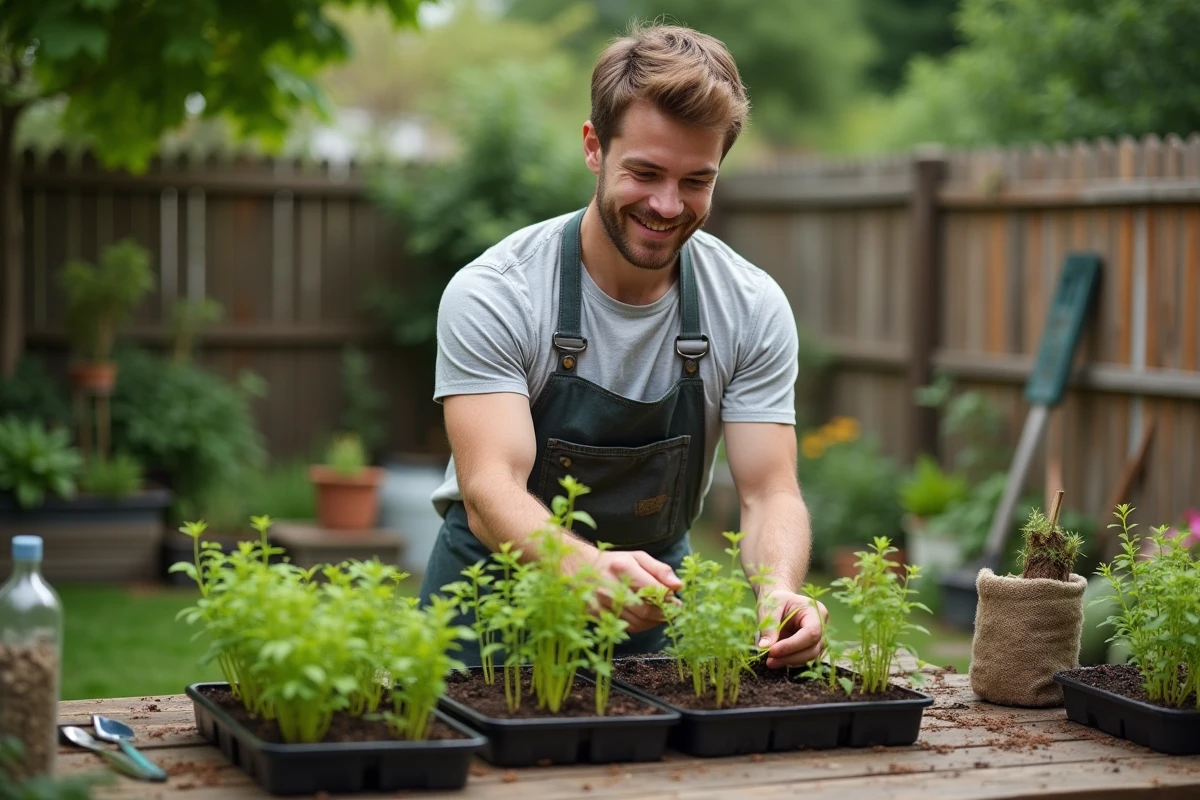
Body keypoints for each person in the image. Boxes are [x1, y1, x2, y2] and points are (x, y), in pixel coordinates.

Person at [418, 21, 827, 669]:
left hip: (653, 615)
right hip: (490, 608)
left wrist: (778, 588)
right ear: (593, 148)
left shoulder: (748, 305)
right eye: (645, 172)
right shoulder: (499, 292)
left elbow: (769, 491)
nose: (668, 204)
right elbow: (489, 487)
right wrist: (579, 567)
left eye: (696, 180)